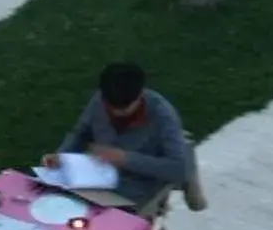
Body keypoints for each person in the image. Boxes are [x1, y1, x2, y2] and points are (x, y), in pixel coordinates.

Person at [48, 63, 191, 213]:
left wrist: (125, 159)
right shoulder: (101, 99)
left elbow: (178, 169)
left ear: (140, 96)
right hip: (94, 179)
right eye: (110, 107)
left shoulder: (163, 116)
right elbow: (81, 133)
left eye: (124, 109)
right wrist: (61, 155)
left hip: (135, 188)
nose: (115, 113)